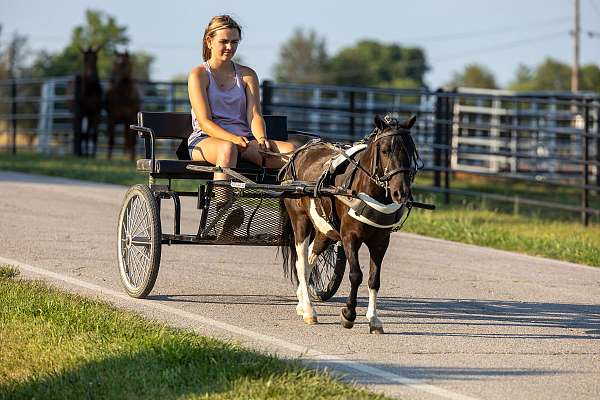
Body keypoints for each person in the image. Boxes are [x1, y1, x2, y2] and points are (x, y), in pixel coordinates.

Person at [187, 15, 294, 238]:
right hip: (206, 141)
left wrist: (262, 138)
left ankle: (296, 214)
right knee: (227, 149)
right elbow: (205, 122)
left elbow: (254, 114)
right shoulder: (199, 75)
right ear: (209, 41)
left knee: (292, 152)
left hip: (244, 140)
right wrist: (234, 140)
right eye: (224, 41)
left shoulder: (247, 75)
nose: (229, 47)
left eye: (234, 42)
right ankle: (222, 216)